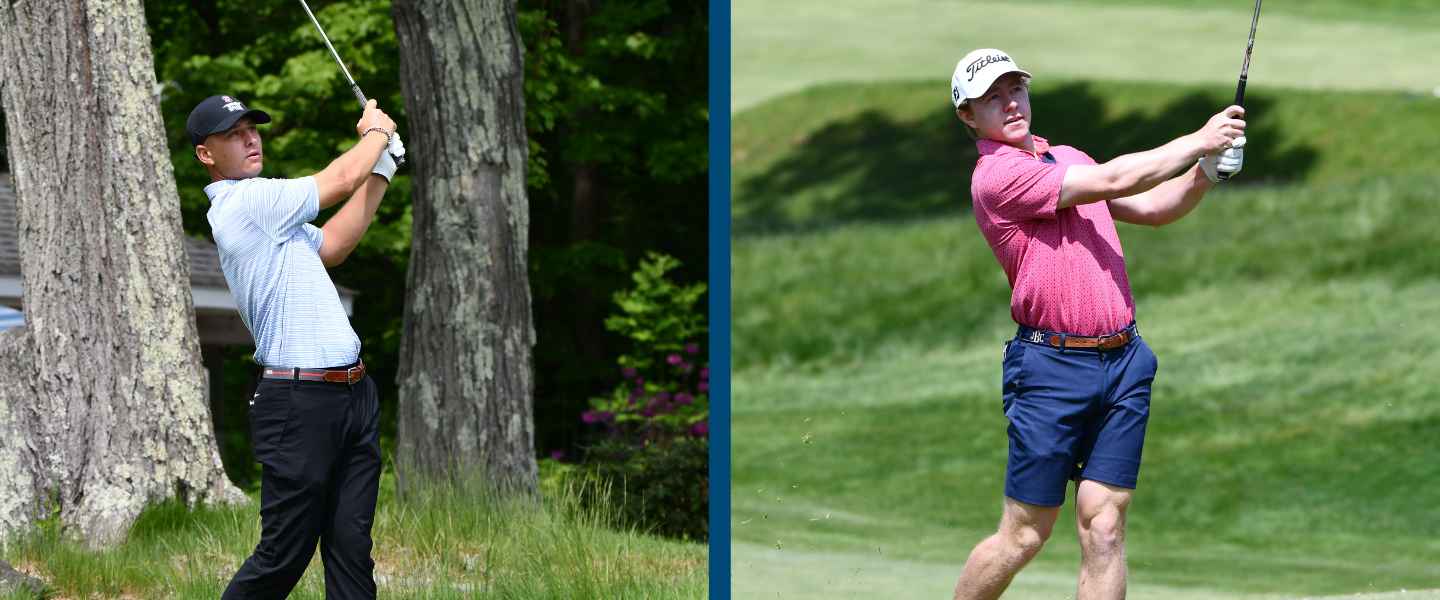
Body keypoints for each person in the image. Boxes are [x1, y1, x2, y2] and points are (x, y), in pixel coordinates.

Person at [948, 49, 1245, 600]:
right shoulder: (997, 177)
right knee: (1025, 536)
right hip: (1051, 367)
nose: (1009, 103)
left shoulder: (1066, 158)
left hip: (1124, 359)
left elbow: (1153, 205)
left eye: (1015, 89)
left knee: (1104, 527)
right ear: (968, 116)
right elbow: (1116, 176)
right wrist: (1200, 139)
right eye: (991, 97)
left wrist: (1206, 171)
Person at [186, 93, 404, 599]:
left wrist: (384, 168)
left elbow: (333, 246)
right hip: (299, 402)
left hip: (354, 393)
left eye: (252, 129)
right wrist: (375, 132)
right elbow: (339, 180)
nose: (250, 138)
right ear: (206, 154)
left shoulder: (272, 215)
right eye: (233, 134)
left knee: (351, 551)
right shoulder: (247, 203)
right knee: (284, 554)